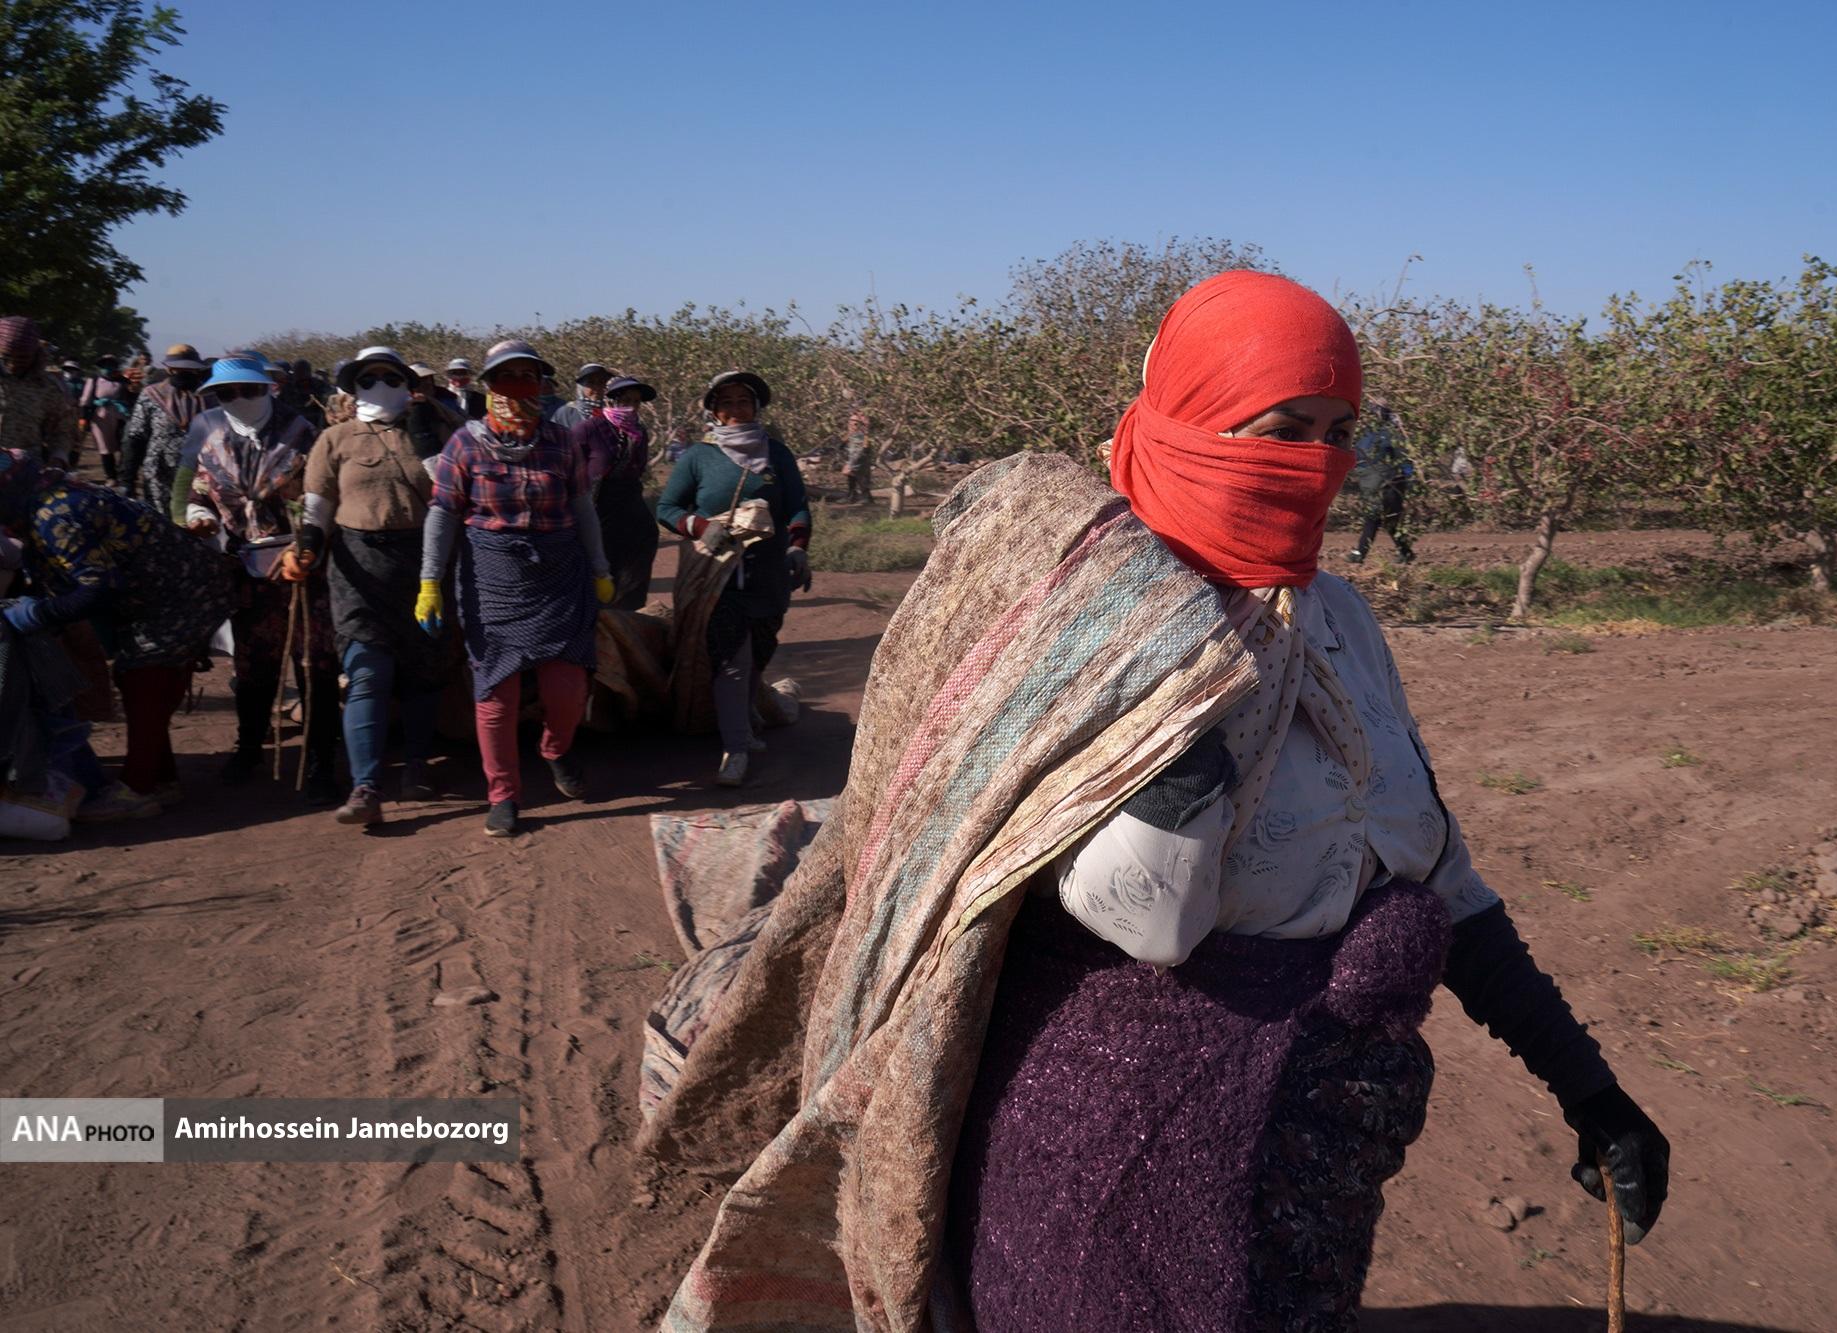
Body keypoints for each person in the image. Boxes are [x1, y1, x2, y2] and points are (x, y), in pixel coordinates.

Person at [644, 273, 1668, 1332]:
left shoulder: (1339, 621)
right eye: (1280, 431)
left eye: (1337, 434)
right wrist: (1177, 722)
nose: (1313, 465)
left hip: (1309, 1158)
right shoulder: (1091, 632)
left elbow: (1435, 871)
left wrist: (1585, 1085)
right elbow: (1149, 920)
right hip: (1103, 1157)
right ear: (1188, 424)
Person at [420, 339, 613, 838]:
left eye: (529, 377)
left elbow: (583, 507)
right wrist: (429, 582)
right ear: (488, 386)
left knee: (567, 689)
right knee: (496, 697)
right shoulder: (464, 444)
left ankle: (555, 749)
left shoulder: (561, 441)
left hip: (560, 574)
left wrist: (600, 567)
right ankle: (503, 794)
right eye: (507, 377)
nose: (518, 387)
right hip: (492, 578)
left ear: (542, 385)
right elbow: (442, 514)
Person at [0, 448, 236, 807]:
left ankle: (139, 790)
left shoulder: (54, 514)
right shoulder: (45, 496)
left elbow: (97, 588)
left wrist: (39, 613)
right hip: (165, 587)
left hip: (179, 590)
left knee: (144, 678)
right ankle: (159, 777)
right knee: (140, 679)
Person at [291, 348, 453, 827]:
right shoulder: (335, 439)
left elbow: (451, 490)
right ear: (353, 387)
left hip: (426, 563)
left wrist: (423, 434)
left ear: (408, 383)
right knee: (367, 673)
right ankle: (366, 786)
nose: (380, 384)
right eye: (368, 377)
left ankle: (418, 764)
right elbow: (318, 504)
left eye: (390, 376)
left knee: (424, 670)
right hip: (358, 567)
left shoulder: (436, 430)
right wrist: (307, 549)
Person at [175, 354, 343, 803]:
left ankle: (321, 761)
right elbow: (198, 493)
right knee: (253, 666)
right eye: (227, 393)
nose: (239, 399)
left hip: (304, 568)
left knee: (315, 666)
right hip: (247, 572)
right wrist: (199, 516)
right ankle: (249, 747)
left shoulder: (304, 434)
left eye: (248, 390)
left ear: (268, 388)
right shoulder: (212, 441)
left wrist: (305, 547)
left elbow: (323, 496)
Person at [655, 369, 811, 786]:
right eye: (727, 403)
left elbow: (797, 506)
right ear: (714, 412)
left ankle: (745, 715)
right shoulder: (698, 457)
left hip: (769, 576)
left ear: (756, 408)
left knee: (759, 652)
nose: (736, 409)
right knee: (732, 662)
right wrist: (700, 526)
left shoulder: (777, 454)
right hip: (718, 577)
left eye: (744, 401)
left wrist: (797, 547)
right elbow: (667, 508)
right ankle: (735, 749)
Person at [585, 375, 661, 610]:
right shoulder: (591, 428)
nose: (632, 406)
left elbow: (638, 470)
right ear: (612, 401)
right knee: (600, 566)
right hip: (598, 507)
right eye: (626, 400)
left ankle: (629, 615)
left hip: (630, 504)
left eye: (636, 401)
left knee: (642, 546)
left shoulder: (639, 432)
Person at [121, 344, 208, 512]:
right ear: (169, 369)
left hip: (199, 475)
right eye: (178, 369)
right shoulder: (151, 395)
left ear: (197, 370)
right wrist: (128, 480)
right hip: (159, 476)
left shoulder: (210, 397)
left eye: (189, 369)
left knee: (197, 517)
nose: (184, 373)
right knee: (161, 520)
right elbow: (136, 438)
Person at [0, 318, 80, 466]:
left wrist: (58, 459)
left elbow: (62, 430)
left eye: (22, 358)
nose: (13, 364)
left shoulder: (47, 387)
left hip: (24, 470)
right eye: (7, 357)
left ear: (35, 354)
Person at [1346, 401, 1416, 564]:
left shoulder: (1390, 433)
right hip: (1372, 483)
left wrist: (1407, 479)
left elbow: (1403, 458)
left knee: (1376, 517)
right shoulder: (1366, 433)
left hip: (1388, 483)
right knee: (1385, 519)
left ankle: (1360, 552)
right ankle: (1405, 552)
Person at [79, 355, 131, 482]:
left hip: (120, 417)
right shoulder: (94, 379)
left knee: (124, 445)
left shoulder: (123, 381)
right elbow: (86, 400)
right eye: (105, 365)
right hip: (100, 417)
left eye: (111, 364)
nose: (108, 367)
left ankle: (122, 473)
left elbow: (131, 396)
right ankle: (111, 476)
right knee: (105, 448)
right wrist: (84, 417)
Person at [549, 362, 612, 432]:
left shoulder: (612, 412)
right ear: (581, 387)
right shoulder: (566, 413)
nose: (597, 387)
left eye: (601, 382)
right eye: (591, 383)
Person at [842, 410, 874, 504]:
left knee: (861, 476)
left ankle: (866, 498)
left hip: (861, 456)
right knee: (851, 476)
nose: (852, 423)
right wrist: (849, 432)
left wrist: (866, 431)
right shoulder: (852, 432)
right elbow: (843, 442)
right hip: (853, 455)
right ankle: (852, 496)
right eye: (851, 421)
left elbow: (866, 446)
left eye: (855, 422)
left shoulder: (864, 432)